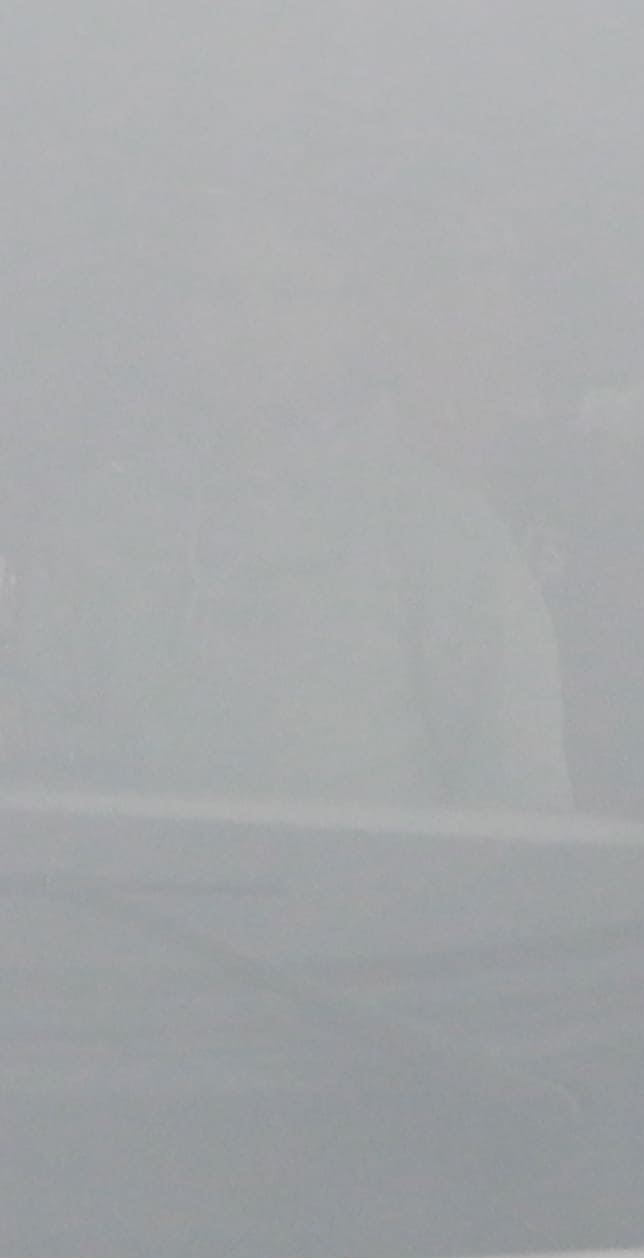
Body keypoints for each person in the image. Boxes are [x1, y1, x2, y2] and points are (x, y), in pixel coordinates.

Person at [1, 184, 572, 818]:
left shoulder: (447, 539)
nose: (255, 329)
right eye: (222, 295)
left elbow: (522, 811)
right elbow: (35, 776)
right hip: (129, 907)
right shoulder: (96, 528)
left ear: (349, 322)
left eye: (290, 297)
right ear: (175, 320)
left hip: (380, 914)